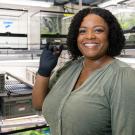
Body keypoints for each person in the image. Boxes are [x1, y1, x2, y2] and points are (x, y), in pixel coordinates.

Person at [32, 7, 135, 135]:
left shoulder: (123, 76)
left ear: (110, 35)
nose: (90, 36)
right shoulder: (68, 68)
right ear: (76, 36)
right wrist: (43, 72)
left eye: (98, 30)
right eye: (82, 31)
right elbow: (38, 105)